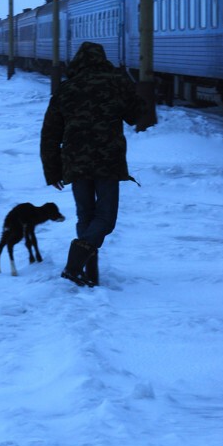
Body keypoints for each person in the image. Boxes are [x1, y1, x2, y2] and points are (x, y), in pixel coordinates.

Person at [40, 41, 148, 287]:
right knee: (105, 218)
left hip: (75, 163)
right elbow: (136, 114)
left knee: (86, 216)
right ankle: (76, 264)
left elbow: (49, 135)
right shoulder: (115, 83)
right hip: (107, 161)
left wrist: (52, 171)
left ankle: (87, 272)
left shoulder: (66, 89)